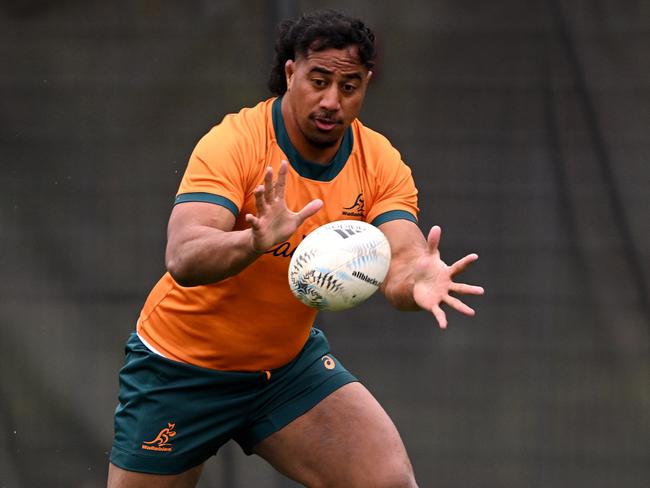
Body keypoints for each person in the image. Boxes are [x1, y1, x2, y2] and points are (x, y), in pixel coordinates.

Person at [107, 9, 484, 488]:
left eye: (349, 87)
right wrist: (254, 240)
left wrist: (418, 281)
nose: (331, 101)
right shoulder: (235, 142)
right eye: (318, 80)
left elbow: (403, 260)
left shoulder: (381, 163)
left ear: (366, 84)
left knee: (388, 481)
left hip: (285, 372)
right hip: (180, 370)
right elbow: (183, 256)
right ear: (290, 73)